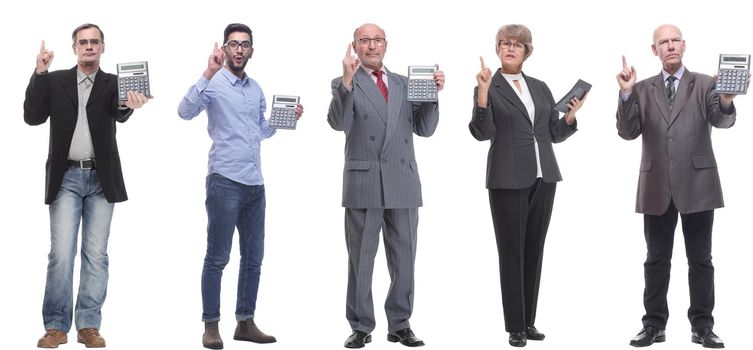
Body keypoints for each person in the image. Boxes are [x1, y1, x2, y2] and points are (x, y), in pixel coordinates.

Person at [616, 24, 747, 349]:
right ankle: (653, 326)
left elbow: (721, 121)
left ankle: (702, 327)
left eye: (675, 40)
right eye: (664, 42)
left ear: (684, 45)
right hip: (656, 184)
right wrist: (626, 93)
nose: (670, 46)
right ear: (654, 50)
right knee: (655, 260)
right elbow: (627, 131)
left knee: (701, 259)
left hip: (698, 184)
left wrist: (727, 100)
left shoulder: (706, 84)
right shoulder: (642, 88)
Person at [23, 23, 149, 348]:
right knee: (61, 254)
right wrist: (39, 73)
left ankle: (88, 325)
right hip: (65, 178)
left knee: (96, 255)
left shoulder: (113, 84)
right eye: (83, 42)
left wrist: (129, 106)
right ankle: (55, 327)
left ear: (103, 47)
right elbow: (32, 117)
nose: (89, 46)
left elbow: (118, 113)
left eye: (94, 42)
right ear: (74, 47)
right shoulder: (54, 81)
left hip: (101, 181)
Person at [178, 23, 302, 349]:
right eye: (233, 44)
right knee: (218, 258)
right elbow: (184, 111)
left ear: (251, 50)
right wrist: (207, 72)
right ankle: (211, 326)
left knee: (253, 259)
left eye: (244, 44)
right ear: (224, 47)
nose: (238, 50)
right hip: (224, 182)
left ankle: (245, 322)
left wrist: (284, 118)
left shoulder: (256, 89)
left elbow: (259, 131)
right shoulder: (214, 82)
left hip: (255, 185)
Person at [327, 23, 444, 349]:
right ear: (355, 46)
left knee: (405, 259)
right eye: (365, 40)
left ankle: (400, 324)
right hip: (364, 180)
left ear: (386, 45)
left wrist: (433, 97)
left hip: (403, 179)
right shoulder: (343, 82)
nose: (372, 46)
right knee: (361, 260)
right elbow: (339, 123)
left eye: (377, 40)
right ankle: (361, 326)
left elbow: (426, 129)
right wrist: (348, 80)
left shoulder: (408, 84)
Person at [469, 24, 584, 347]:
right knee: (512, 251)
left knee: (534, 249)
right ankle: (515, 326)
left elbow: (553, 134)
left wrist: (571, 117)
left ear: (526, 51)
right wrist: (481, 94)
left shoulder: (540, 87)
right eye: (504, 43)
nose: (510, 48)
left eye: (517, 45)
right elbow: (482, 132)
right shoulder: (488, 85)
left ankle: (529, 321)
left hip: (544, 176)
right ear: (497, 50)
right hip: (507, 177)